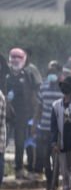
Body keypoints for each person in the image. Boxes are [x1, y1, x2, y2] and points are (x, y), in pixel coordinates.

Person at [6, 48, 40, 180]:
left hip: (22, 114)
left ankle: (19, 169)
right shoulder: (5, 74)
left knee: (20, 143)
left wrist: (34, 113)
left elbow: (33, 94)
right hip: (5, 114)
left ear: (23, 59)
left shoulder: (28, 74)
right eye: (13, 57)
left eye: (18, 57)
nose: (15, 60)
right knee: (2, 142)